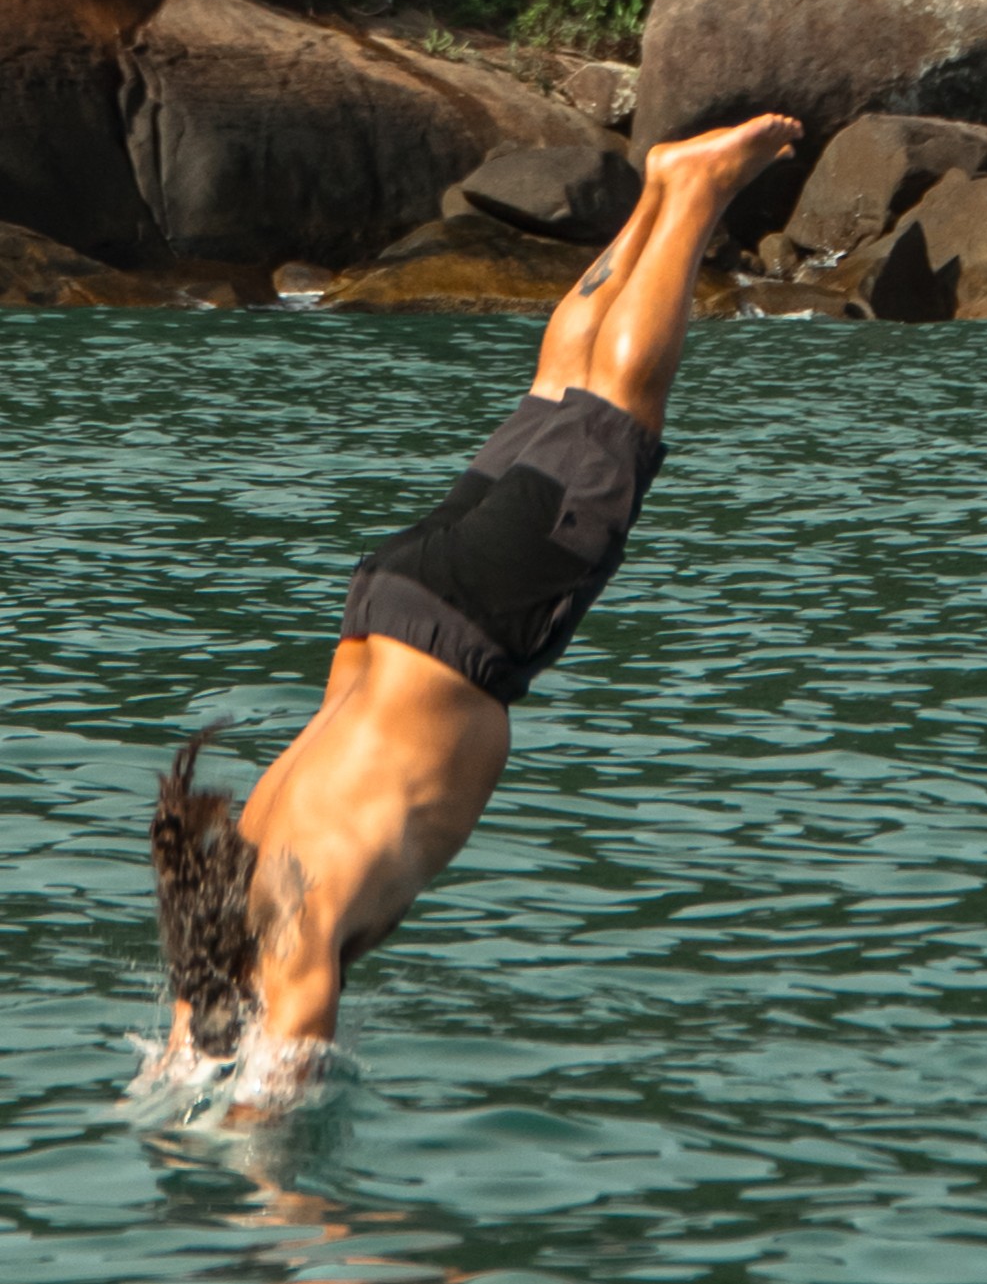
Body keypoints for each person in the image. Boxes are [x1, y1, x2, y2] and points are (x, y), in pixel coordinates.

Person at [149, 112, 803, 1071]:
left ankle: (695, 194)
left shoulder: (285, 952)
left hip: (465, 632)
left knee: (622, 409)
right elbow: (184, 1055)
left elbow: (274, 1120)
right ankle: (660, 189)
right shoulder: (226, 918)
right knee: (558, 392)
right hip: (388, 602)